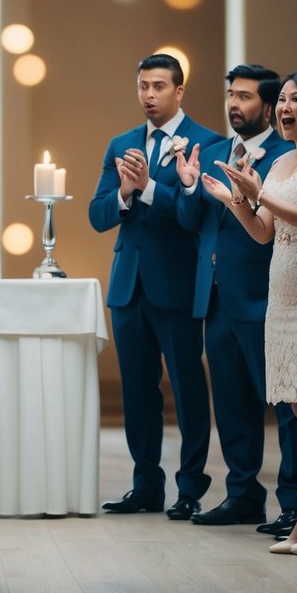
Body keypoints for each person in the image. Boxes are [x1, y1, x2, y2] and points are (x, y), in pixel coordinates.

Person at [213, 69, 297, 556]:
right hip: (285, 289)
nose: (285, 109)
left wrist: (257, 195)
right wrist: (234, 201)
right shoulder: (278, 163)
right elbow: (264, 232)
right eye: (284, 101)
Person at [88, 53, 222, 520]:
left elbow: (195, 215)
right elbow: (97, 214)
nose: (149, 95)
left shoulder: (210, 143)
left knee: (186, 389)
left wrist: (148, 187)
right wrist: (125, 192)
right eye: (143, 85)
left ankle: (190, 487)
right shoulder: (121, 144)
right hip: (128, 286)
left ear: (179, 91)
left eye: (159, 86)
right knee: (137, 392)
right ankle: (146, 484)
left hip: (179, 285)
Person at [173, 65, 297, 536]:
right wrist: (188, 186)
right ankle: (243, 493)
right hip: (214, 297)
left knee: (287, 408)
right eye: (231, 94)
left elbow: (277, 230)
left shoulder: (287, 156)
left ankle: (295, 502)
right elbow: (191, 221)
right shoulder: (208, 152)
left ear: (267, 107)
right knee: (230, 402)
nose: (234, 104)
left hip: (264, 293)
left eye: (245, 97)